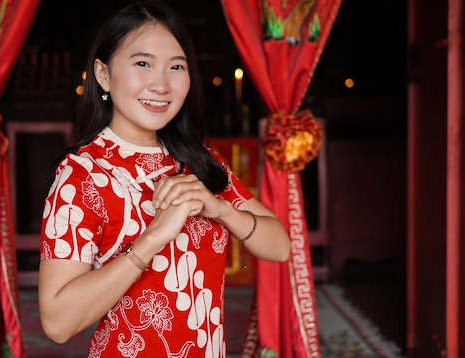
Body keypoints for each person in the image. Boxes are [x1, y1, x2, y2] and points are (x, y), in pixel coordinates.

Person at [37, 1, 291, 356]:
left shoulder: (200, 162)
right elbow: (57, 323)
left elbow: (280, 247)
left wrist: (220, 210)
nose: (161, 85)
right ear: (103, 74)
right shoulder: (82, 177)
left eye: (176, 67)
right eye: (142, 64)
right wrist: (153, 238)